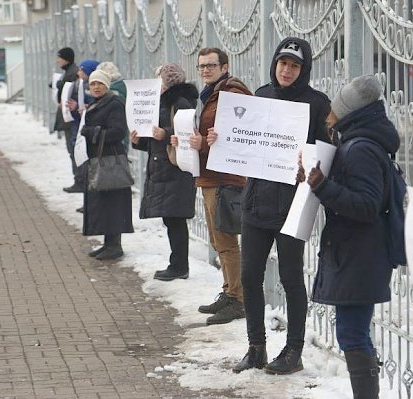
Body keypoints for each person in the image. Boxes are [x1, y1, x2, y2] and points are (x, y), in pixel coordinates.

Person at [232, 37, 331, 375]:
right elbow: (245, 139)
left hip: (293, 205)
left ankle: (294, 350)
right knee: (248, 276)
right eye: (282, 63)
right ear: (275, 64)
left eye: (294, 66)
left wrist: (310, 159)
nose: (287, 70)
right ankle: (256, 346)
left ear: (303, 70)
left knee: (291, 278)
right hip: (257, 202)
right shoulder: (261, 95)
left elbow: (329, 148)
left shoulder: (317, 103)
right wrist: (223, 141)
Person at [301, 75, 399, 398]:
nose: (329, 113)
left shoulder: (361, 149)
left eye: (334, 108)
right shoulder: (357, 143)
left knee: (353, 334)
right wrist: (315, 179)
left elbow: (367, 205)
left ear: (348, 112)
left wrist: (323, 187)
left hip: (360, 256)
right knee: (353, 332)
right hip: (358, 254)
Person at [171, 47, 251, 323]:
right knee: (219, 241)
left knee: (226, 241)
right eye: (202, 66)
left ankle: (237, 299)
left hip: (225, 178)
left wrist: (203, 143)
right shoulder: (210, 95)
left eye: (211, 65)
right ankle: (229, 291)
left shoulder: (232, 94)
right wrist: (183, 142)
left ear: (224, 67)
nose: (205, 70)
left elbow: (238, 136)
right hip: (208, 175)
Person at [131, 63, 198, 281]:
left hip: (175, 170)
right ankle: (176, 264)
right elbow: (157, 141)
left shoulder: (179, 102)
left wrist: (166, 133)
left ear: (167, 82)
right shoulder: (162, 102)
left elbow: (187, 132)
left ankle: (179, 267)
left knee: (175, 219)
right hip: (164, 167)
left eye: (159, 78)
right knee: (171, 219)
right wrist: (138, 141)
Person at [81, 70, 134, 260]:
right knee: (103, 203)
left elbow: (118, 132)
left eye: (100, 84)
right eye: (93, 84)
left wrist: (91, 131)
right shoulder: (97, 103)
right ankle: (108, 243)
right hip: (99, 160)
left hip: (110, 161)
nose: (96, 87)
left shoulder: (114, 104)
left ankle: (115, 246)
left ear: (107, 86)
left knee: (112, 203)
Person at [65, 59, 100, 195]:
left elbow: (95, 109)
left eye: (82, 70)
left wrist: (83, 109)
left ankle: (85, 190)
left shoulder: (91, 90)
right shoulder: (82, 86)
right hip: (81, 128)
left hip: (88, 132)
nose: (78, 72)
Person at [53, 47, 79, 155]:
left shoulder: (73, 72)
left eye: (59, 58)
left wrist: (62, 87)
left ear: (66, 59)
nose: (57, 60)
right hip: (69, 115)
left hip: (71, 116)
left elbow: (73, 92)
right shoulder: (68, 71)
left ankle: (79, 172)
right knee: (71, 150)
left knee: (73, 150)